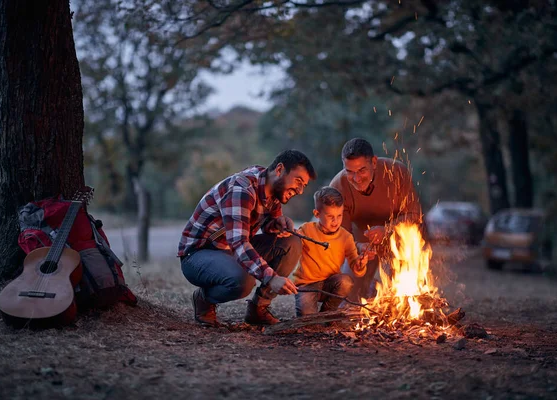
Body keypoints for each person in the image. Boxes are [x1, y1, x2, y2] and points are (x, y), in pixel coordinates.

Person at [178, 150, 317, 326]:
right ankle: (204, 299)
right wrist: (271, 278)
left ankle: (258, 309)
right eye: (298, 181)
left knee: (291, 242)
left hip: (229, 251)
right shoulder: (242, 189)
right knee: (243, 281)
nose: (300, 190)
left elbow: (265, 224)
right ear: (280, 170)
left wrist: (277, 223)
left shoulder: (271, 190)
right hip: (199, 255)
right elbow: (238, 242)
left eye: (303, 185)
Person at [330, 138, 422, 301]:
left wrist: (387, 230)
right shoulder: (338, 187)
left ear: (373, 162)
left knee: (400, 295)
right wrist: (358, 247)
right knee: (348, 295)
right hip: (361, 243)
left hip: (398, 239)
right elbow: (340, 234)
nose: (356, 178)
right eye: (350, 171)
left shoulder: (397, 172)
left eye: (361, 170)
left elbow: (414, 216)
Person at [293, 187, 369, 317]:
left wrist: (360, 264)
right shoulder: (306, 230)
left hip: (330, 284)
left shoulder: (346, 237)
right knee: (306, 318)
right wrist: (292, 237)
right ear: (317, 214)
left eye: (339, 216)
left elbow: (354, 265)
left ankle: (327, 312)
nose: (335, 221)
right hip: (307, 284)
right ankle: (311, 313)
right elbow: (294, 247)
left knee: (346, 281)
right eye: (330, 216)